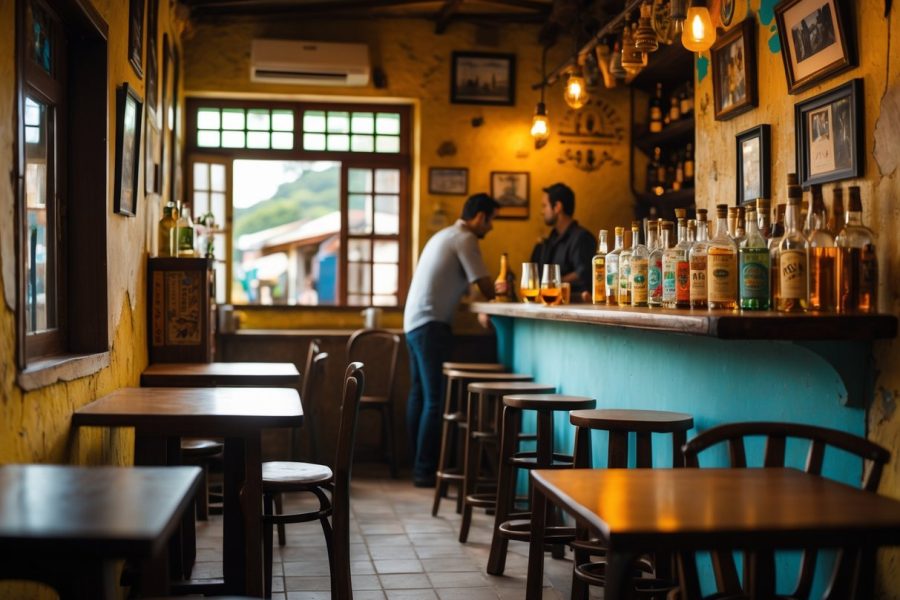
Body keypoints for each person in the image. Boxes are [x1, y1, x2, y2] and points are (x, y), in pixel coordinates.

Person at [403, 193, 499, 487]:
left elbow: (463, 287)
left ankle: (416, 464)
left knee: (420, 395)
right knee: (435, 400)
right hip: (431, 325)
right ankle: (424, 470)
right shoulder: (466, 238)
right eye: (492, 220)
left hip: (414, 323)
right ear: (481, 217)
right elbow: (485, 287)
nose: (491, 228)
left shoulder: (444, 235)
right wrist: (503, 293)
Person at [530, 182, 596, 299]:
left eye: (545, 206)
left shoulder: (582, 237)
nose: (542, 211)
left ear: (557, 207)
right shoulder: (551, 238)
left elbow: (583, 274)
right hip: (551, 303)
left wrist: (551, 283)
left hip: (576, 308)